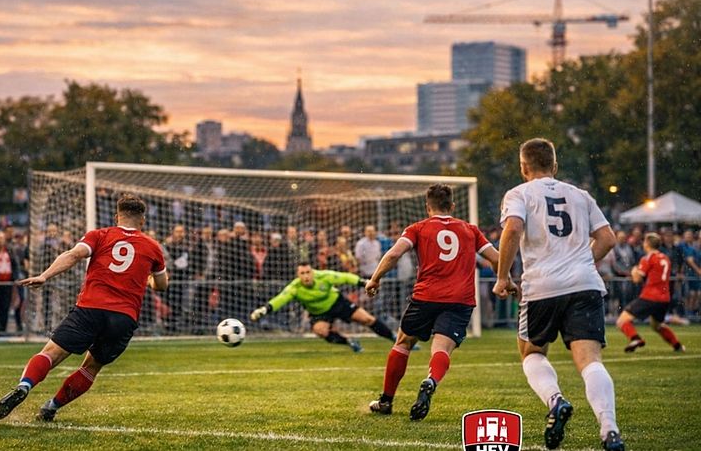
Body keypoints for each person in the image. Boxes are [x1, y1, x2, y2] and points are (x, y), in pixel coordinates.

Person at [493, 138, 623, 451]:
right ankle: (609, 429)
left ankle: (556, 401)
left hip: (542, 286)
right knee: (590, 361)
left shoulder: (519, 193)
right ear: (555, 165)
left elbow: (512, 229)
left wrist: (502, 277)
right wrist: (580, 263)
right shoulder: (580, 195)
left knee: (532, 353)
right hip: (585, 285)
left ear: (523, 167)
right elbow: (607, 239)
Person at [0, 194, 167, 421]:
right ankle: (51, 407)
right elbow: (161, 285)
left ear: (117, 217)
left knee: (51, 354)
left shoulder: (100, 235)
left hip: (90, 309)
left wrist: (45, 275)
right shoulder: (152, 247)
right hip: (123, 317)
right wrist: (150, 279)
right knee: (90, 368)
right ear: (143, 221)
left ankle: (24, 386)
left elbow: (73, 255)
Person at [363, 184, 500, 420]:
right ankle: (431, 380)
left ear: (428, 207)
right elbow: (497, 258)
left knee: (403, 343)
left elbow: (395, 253)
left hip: (426, 297)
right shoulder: (470, 230)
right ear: (453, 206)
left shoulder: (418, 228)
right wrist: (505, 280)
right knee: (441, 348)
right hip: (460, 300)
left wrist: (375, 279)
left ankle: (386, 401)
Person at [250, 263, 396, 353]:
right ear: (298, 275)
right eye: (302, 273)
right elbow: (280, 299)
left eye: (308, 272)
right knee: (320, 331)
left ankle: (394, 339)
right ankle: (349, 342)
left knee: (367, 318)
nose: (306, 276)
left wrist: (363, 282)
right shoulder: (294, 287)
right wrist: (265, 309)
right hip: (318, 313)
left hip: (338, 303)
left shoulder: (323, 276)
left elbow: (344, 277)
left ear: (312, 272)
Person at [616, 233, 685, 353]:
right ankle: (678, 346)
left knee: (622, 321)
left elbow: (637, 279)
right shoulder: (665, 258)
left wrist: (634, 271)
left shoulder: (647, 258)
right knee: (657, 325)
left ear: (647, 244)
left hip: (650, 296)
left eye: (644, 242)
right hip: (664, 298)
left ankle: (635, 338)